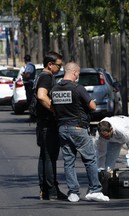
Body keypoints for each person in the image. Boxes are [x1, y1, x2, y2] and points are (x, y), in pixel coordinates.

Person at [51, 62, 109, 202]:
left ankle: (73, 193)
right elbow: (93, 107)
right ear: (75, 73)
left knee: (68, 161)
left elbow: (53, 107)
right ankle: (95, 190)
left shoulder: (55, 89)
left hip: (62, 128)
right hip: (78, 127)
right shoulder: (78, 88)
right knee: (90, 159)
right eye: (78, 74)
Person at [35, 51, 66, 200]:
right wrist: (54, 110)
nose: (60, 68)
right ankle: (52, 190)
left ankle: (45, 190)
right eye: (59, 66)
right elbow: (41, 95)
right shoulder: (46, 77)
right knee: (49, 157)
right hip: (48, 123)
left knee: (44, 157)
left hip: (42, 123)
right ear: (50, 65)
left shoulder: (40, 76)